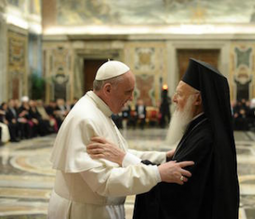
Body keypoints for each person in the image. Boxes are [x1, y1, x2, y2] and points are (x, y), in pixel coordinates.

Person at [88, 58, 240, 219]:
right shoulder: (200, 128)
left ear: (198, 99)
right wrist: (165, 157)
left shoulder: (206, 138)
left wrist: (123, 158)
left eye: (180, 94)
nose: (173, 99)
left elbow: (173, 190)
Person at [47, 60, 194, 219]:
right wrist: (157, 173)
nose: (131, 98)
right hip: (84, 212)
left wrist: (162, 157)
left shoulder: (99, 110)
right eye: (127, 92)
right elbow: (103, 181)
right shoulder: (85, 119)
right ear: (108, 89)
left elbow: (118, 154)